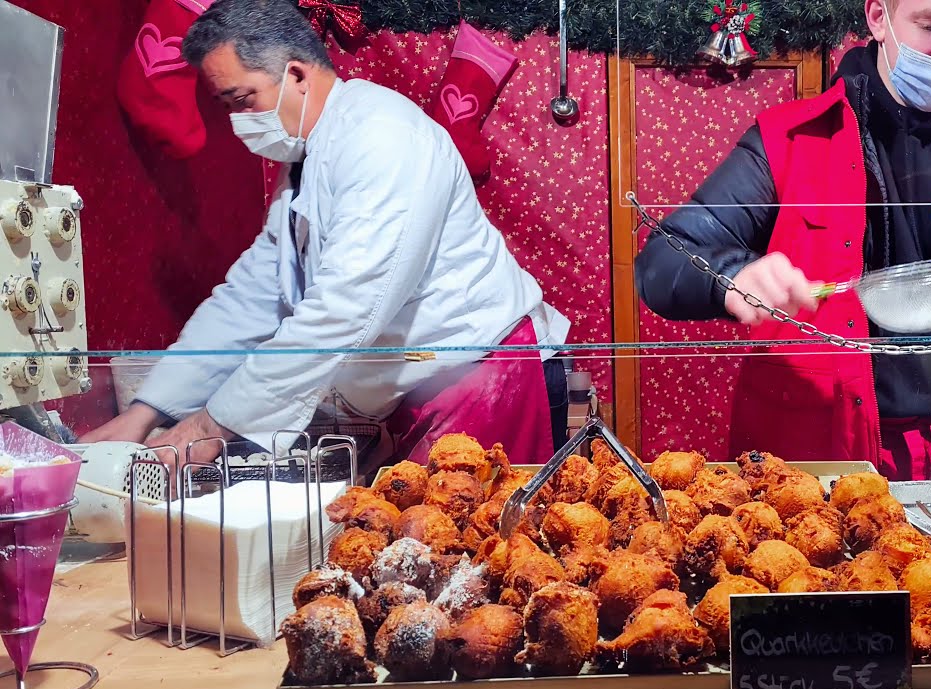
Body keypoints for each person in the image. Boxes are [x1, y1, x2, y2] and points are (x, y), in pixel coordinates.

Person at [635, 0, 931, 495]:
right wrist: (733, 279)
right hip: (823, 466)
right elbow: (662, 264)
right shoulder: (790, 140)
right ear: (879, 17)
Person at [81, 0, 569, 465]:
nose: (238, 122)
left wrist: (209, 427)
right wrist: (146, 413)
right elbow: (253, 295)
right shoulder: (307, 159)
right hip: (424, 387)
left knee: (488, 545)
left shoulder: (384, 138)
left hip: (490, 379)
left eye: (243, 100)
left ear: (296, 74)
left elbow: (345, 307)